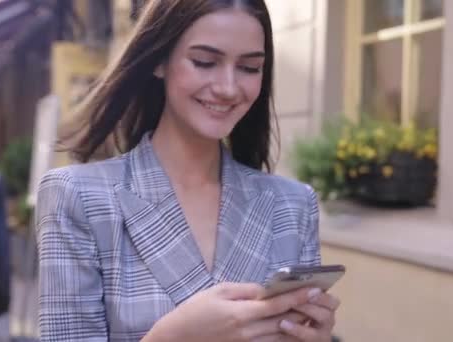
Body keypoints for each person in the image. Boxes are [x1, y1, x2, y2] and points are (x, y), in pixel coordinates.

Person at [36, 0, 341, 341]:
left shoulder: (293, 204)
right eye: (204, 62)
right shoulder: (77, 196)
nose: (228, 87)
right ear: (159, 61)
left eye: (250, 68)